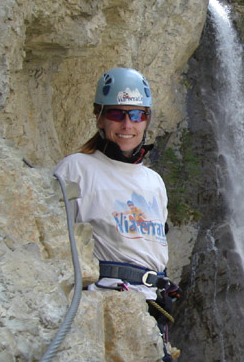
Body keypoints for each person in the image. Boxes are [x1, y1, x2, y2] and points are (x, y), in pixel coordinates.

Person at [54, 67, 179, 361]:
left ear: (146, 119)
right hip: (108, 303)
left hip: (152, 308)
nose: (127, 124)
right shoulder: (76, 169)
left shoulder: (154, 182)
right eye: (116, 114)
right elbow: (56, 242)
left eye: (136, 115)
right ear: (99, 116)